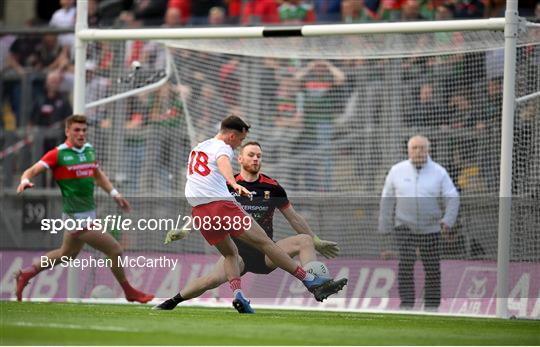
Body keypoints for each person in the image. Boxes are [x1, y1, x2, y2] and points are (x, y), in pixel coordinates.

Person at [173, 115, 347, 314]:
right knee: (210, 280)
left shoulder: (272, 186)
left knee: (305, 240)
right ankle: (172, 300)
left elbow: (294, 218)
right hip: (239, 254)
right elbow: (207, 206)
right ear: (239, 158)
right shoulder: (226, 185)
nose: (255, 158)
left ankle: (318, 285)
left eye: (259, 155)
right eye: (251, 154)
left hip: (267, 254)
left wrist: (317, 239)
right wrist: (185, 229)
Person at [15, 115, 154, 304]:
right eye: (76, 130)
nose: (81, 134)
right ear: (67, 131)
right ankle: (129, 291)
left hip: (88, 214)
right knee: (115, 250)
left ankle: (25, 273)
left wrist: (114, 193)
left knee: (66, 255)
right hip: (75, 217)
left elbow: (97, 174)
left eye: (84, 130)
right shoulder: (58, 154)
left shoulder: (89, 150)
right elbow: (30, 171)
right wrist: (24, 180)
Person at [378, 135, 459, 311]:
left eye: (422, 148)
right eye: (414, 148)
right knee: (405, 265)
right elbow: (387, 199)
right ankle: (406, 304)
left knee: (432, 267)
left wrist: (448, 221)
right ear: (408, 150)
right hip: (404, 226)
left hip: (431, 228)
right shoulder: (397, 170)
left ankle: (431, 306)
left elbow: (453, 197)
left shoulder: (439, 172)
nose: (418, 151)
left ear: (428, 150)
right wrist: (384, 226)